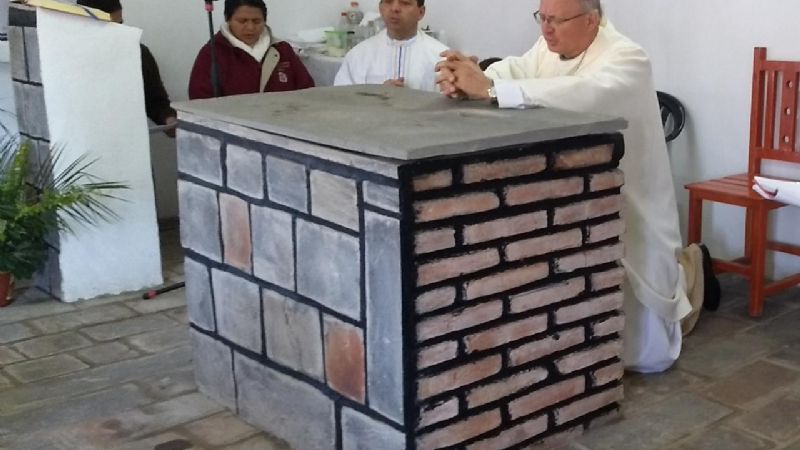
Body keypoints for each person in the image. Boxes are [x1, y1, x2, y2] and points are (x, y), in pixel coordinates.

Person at [436, 0, 719, 373]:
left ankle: (694, 268)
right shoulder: (549, 48)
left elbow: (579, 94)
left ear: (592, 20)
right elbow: (516, 68)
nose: (546, 30)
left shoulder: (628, 59)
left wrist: (489, 88)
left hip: (630, 207)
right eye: (543, 18)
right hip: (577, 200)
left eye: (557, 20)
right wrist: (470, 73)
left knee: (645, 358)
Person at [77, 0, 178, 137]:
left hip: (127, 144)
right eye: (109, 26)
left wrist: (168, 118)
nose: (118, 32)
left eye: (120, 25)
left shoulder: (138, 53)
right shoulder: (66, 58)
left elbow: (156, 102)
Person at [188, 0, 314, 99]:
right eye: (242, 21)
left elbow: (307, 90)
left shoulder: (281, 50)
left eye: (257, 21)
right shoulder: (213, 53)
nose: (250, 27)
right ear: (228, 19)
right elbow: (200, 100)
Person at [333, 0, 447, 92]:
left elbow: (449, 110)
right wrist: (376, 95)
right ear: (380, 8)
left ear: (421, 12)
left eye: (405, 2)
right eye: (388, 1)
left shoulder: (441, 58)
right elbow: (342, 102)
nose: (395, 8)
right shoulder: (358, 55)